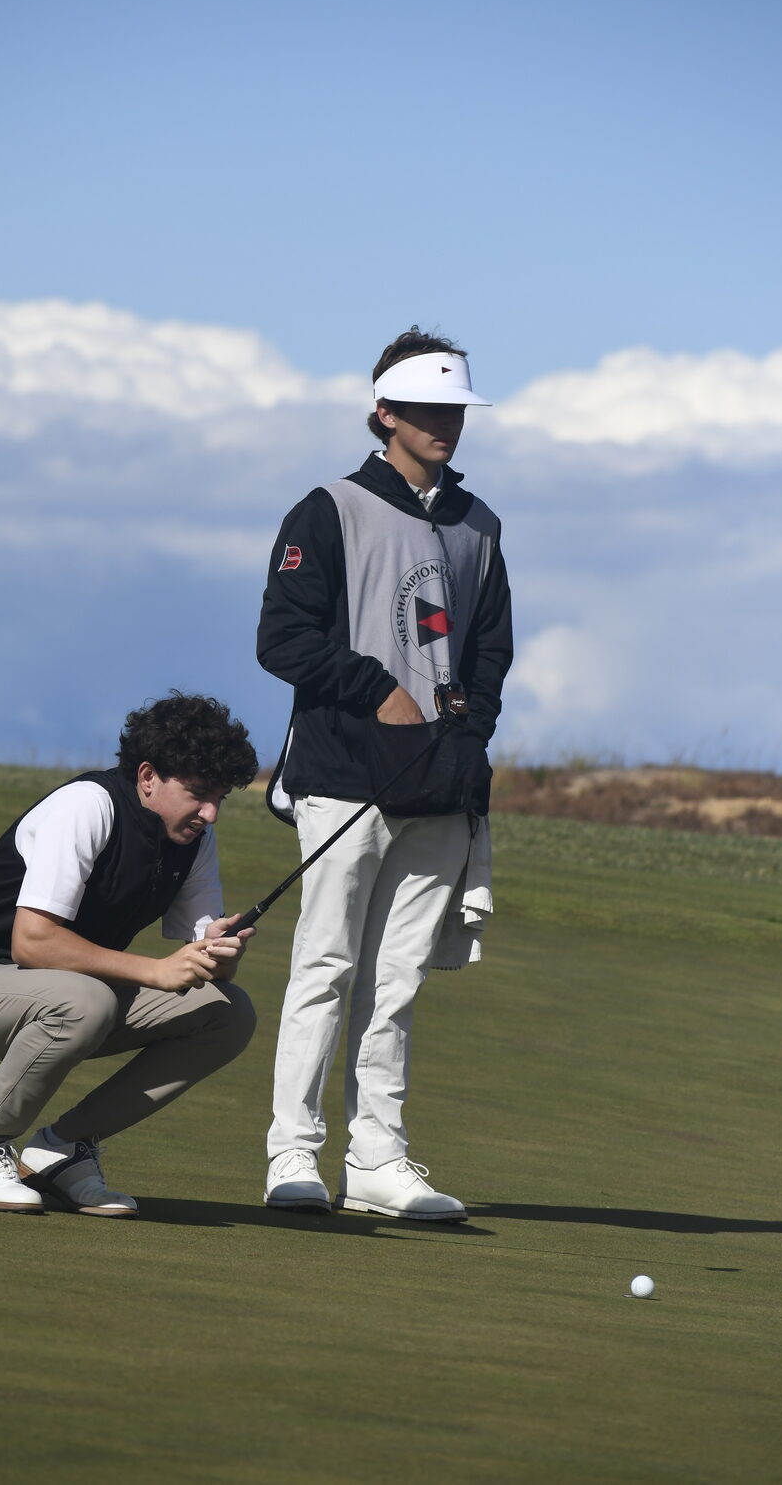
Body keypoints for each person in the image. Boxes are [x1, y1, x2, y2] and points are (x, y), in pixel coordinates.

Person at [257, 326, 513, 1220]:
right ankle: (292, 1152)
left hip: (439, 789)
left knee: (395, 984)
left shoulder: (478, 526)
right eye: (431, 409)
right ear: (385, 413)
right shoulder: (328, 508)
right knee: (324, 967)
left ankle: (376, 1159)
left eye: (457, 409)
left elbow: (488, 655)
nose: (448, 423)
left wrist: (465, 740)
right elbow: (282, 639)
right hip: (343, 778)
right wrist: (378, 691)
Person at [0, 692, 259, 1217]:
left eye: (221, 798)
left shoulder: (193, 840)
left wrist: (220, 952)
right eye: (198, 793)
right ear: (148, 776)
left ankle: (63, 1149)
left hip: (61, 993)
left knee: (227, 1012)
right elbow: (32, 942)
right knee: (85, 1000)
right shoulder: (87, 805)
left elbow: (200, 951)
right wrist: (155, 971)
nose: (210, 813)